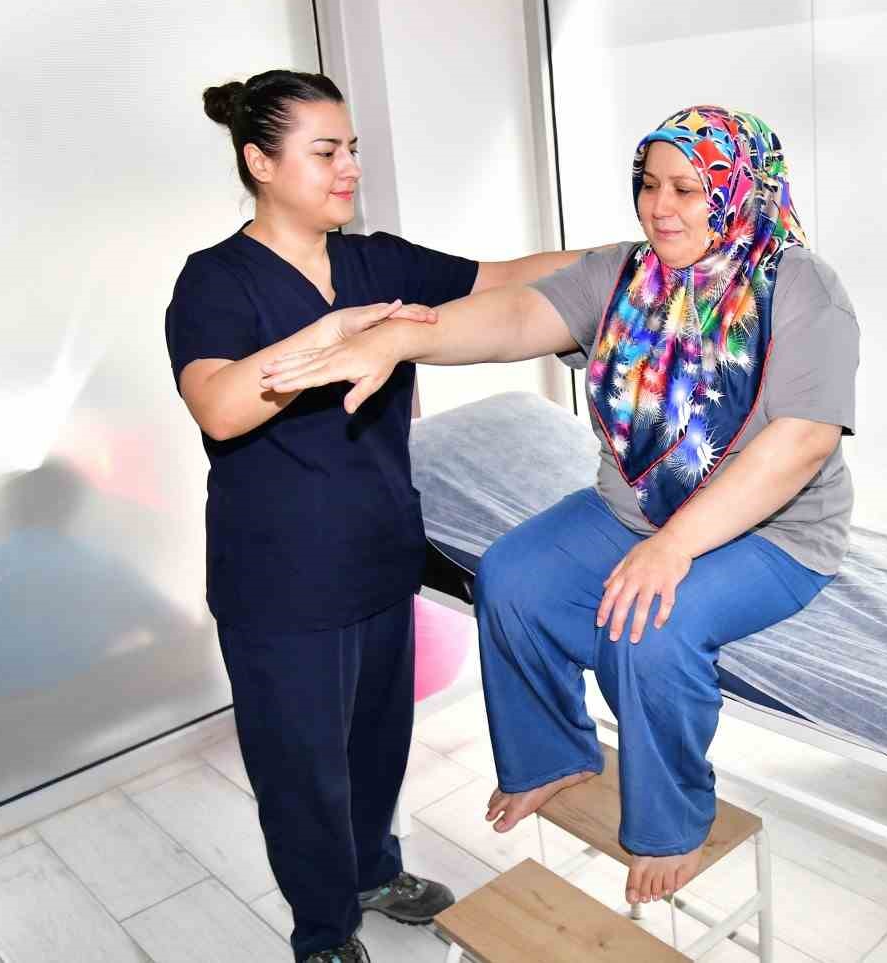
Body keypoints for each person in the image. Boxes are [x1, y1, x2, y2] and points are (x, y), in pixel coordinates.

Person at [261, 105, 859, 907]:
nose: (660, 206)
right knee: (511, 576)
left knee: (650, 628)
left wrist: (673, 546)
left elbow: (803, 442)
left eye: (686, 188)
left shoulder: (800, 285)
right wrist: (401, 338)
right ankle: (552, 754)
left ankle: (673, 821)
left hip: (774, 532)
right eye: (649, 184)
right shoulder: (625, 273)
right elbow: (515, 315)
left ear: (737, 190)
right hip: (632, 510)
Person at [165, 69, 580, 963]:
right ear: (260, 162)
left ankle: (372, 872)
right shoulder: (215, 282)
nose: (349, 166)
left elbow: (506, 279)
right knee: (301, 771)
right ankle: (323, 930)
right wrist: (331, 336)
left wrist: (644, 252)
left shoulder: (374, 260)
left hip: (381, 555)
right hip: (280, 584)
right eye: (326, 152)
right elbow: (220, 408)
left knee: (375, 747)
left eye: (351, 148)